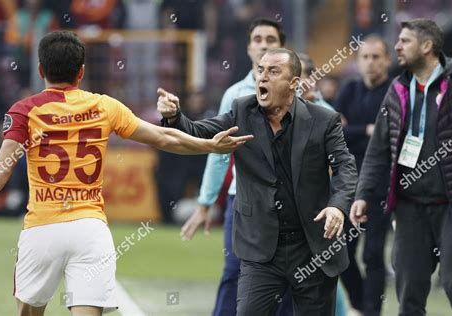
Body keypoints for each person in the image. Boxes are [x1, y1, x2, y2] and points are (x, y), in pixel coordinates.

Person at [0, 31, 252, 316]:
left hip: (42, 228)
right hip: (89, 229)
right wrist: (209, 145)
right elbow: (164, 137)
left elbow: (1, 171)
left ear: (41, 69)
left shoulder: (25, 110)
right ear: (81, 72)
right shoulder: (104, 106)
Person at [158, 47, 358, 315]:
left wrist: (338, 205)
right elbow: (198, 131)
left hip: (312, 247)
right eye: (261, 70)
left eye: (273, 72)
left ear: (294, 84)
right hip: (261, 249)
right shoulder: (242, 111)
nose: (262, 77)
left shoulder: (324, 120)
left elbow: (345, 166)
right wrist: (174, 117)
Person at [179, 18, 293, 316]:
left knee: (288, 280)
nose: (264, 44)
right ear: (249, 47)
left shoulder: (299, 92)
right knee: (235, 273)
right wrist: (205, 203)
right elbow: (217, 153)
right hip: (241, 200)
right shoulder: (235, 95)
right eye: (258, 39)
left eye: (271, 38)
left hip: (288, 202)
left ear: (282, 48)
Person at [351, 19, 452, 316]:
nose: (397, 47)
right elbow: (377, 152)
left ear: (426, 47)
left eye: (405, 41)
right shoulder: (398, 90)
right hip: (409, 207)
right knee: (408, 291)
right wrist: (362, 194)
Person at [334, 35, 392, 316]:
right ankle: (359, 302)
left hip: (382, 186)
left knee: (373, 255)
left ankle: (371, 312)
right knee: (340, 253)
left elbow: (391, 136)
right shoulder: (349, 91)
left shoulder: (395, 92)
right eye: (365, 57)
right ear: (357, 62)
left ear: (387, 60)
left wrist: (355, 130)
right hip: (348, 184)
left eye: (376, 57)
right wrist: (367, 130)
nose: (370, 63)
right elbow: (335, 133)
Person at [296, 52, 348, 316]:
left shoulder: (327, 115)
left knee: (325, 274)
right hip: (289, 214)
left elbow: (339, 166)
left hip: (321, 209)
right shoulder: (274, 113)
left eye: (306, 75)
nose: (302, 82)